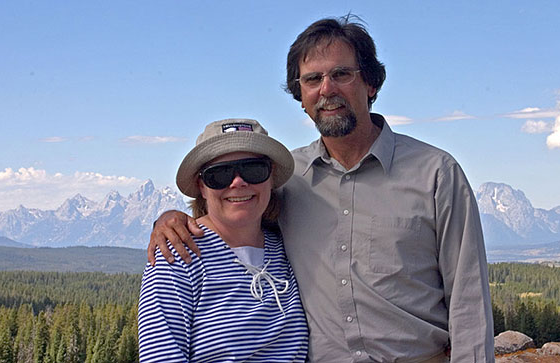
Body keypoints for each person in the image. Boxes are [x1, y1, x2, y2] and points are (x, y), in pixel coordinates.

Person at [149, 16, 494, 362]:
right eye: (312, 79)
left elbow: (469, 301)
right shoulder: (285, 180)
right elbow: (234, 213)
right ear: (301, 96)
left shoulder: (435, 173)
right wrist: (168, 219)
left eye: (341, 74)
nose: (327, 89)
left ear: (371, 83)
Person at [137, 118, 309, 362]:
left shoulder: (289, 247)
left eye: (253, 169)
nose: (238, 182)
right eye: (219, 174)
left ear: (271, 177)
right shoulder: (177, 254)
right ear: (202, 187)